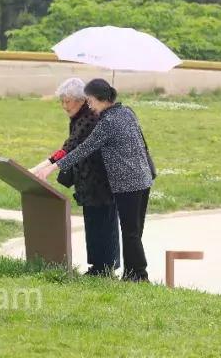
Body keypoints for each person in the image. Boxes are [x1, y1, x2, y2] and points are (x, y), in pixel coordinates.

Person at [35, 78, 156, 281]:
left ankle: (138, 275)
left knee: (130, 232)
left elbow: (82, 149)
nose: (89, 105)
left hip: (127, 184)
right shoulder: (127, 112)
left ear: (101, 99)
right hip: (143, 179)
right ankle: (133, 274)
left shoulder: (106, 123)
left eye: (90, 101)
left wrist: (51, 168)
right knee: (134, 232)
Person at [31, 77, 119, 276]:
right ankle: (99, 267)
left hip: (100, 180)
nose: (64, 106)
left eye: (67, 101)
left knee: (103, 223)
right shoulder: (80, 117)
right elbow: (68, 147)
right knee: (94, 222)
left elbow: (68, 148)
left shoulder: (88, 119)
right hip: (89, 180)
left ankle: (104, 268)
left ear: (81, 100)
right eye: (62, 101)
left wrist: (41, 168)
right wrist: (39, 168)